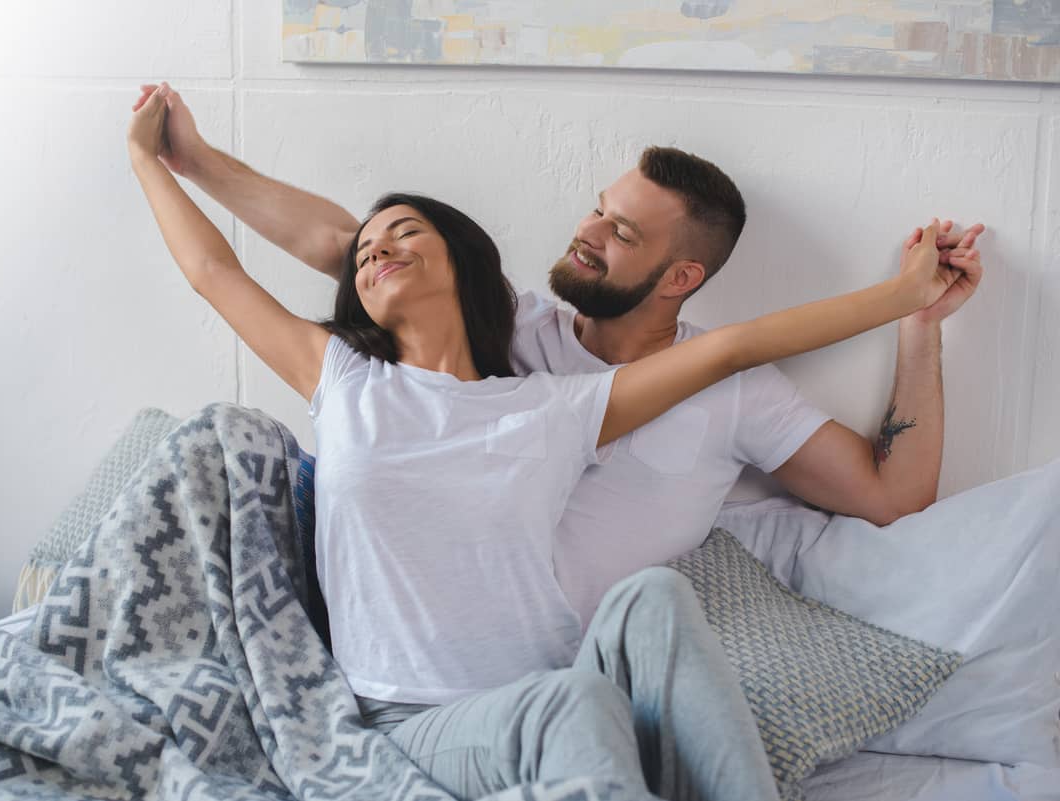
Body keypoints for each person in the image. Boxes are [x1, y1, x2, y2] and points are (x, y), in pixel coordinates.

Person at [127, 85, 974, 801]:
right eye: (597, 211)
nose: (588, 234)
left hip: (569, 678)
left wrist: (913, 310)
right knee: (569, 706)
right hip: (435, 710)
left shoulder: (556, 406)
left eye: (622, 234)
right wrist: (175, 159)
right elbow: (263, 261)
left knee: (653, 599)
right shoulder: (398, 365)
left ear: (681, 277)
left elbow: (742, 355)